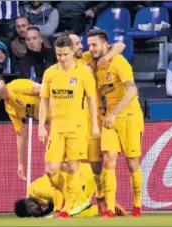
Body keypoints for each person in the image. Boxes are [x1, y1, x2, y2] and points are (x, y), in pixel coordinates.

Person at [37, 34, 100, 218]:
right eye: (58, 55)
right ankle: (74, 198)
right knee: (51, 170)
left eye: (65, 54)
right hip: (56, 128)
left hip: (77, 127)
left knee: (73, 167)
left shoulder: (83, 73)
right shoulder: (50, 73)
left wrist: (95, 125)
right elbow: (44, 101)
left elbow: (91, 99)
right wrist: (41, 126)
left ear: (73, 52)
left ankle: (68, 208)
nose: (62, 58)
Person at [86, 29, 144, 218]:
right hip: (110, 119)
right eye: (89, 45)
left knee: (132, 164)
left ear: (105, 45)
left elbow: (132, 90)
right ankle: (109, 209)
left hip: (129, 116)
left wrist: (115, 112)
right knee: (108, 160)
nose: (91, 48)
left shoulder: (119, 62)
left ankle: (137, 204)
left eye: (94, 45)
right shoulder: (96, 64)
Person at [68, 32, 124, 214]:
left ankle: (101, 199)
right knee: (68, 162)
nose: (82, 46)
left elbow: (120, 45)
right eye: (77, 43)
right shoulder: (60, 67)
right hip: (75, 121)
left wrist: (106, 57)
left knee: (97, 165)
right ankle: (73, 201)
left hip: (94, 118)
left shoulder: (87, 59)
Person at [14, 163, 128, 218]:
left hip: (83, 177)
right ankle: (110, 206)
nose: (36, 213)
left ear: (29, 204)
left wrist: (53, 212)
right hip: (82, 177)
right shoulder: (34, 193)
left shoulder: (38, 191)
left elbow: (59, 192)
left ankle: (105, 206)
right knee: (73, 212)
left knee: (72, 212)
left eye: (33, 212)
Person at [0, 75, 41, 181]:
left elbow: (45, 89)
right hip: (53, 121)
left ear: (1, 83)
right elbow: (21, 135)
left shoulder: (16, 86)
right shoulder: (9, 108)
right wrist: (20, 164)